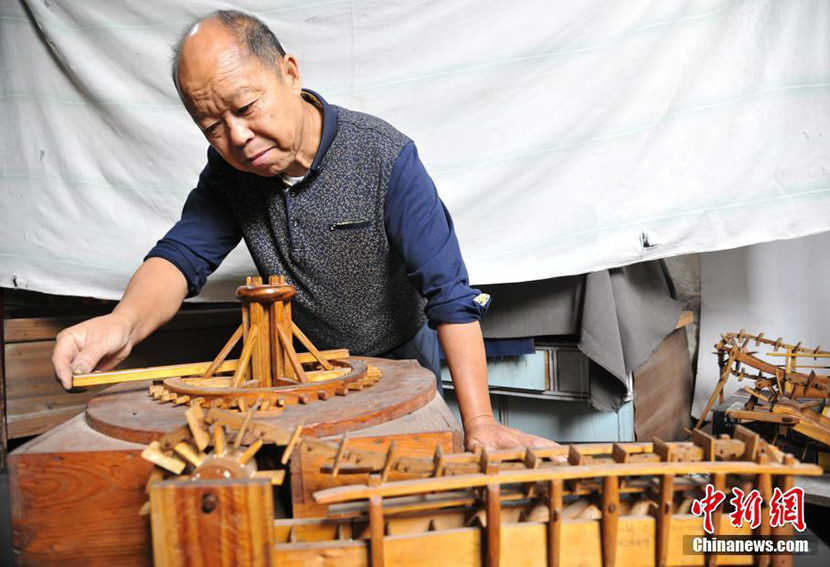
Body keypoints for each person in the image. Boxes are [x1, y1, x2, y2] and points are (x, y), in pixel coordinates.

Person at [52, 10, 558, 453]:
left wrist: (480, 422)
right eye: (212, 126)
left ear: (289, 73)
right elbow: (181, 257)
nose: (238, 137)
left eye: (247, 107)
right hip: (305, 372)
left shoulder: (385, 157)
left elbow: (449, 296)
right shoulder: (231, 172)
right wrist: (121, 322)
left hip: (403, 360)